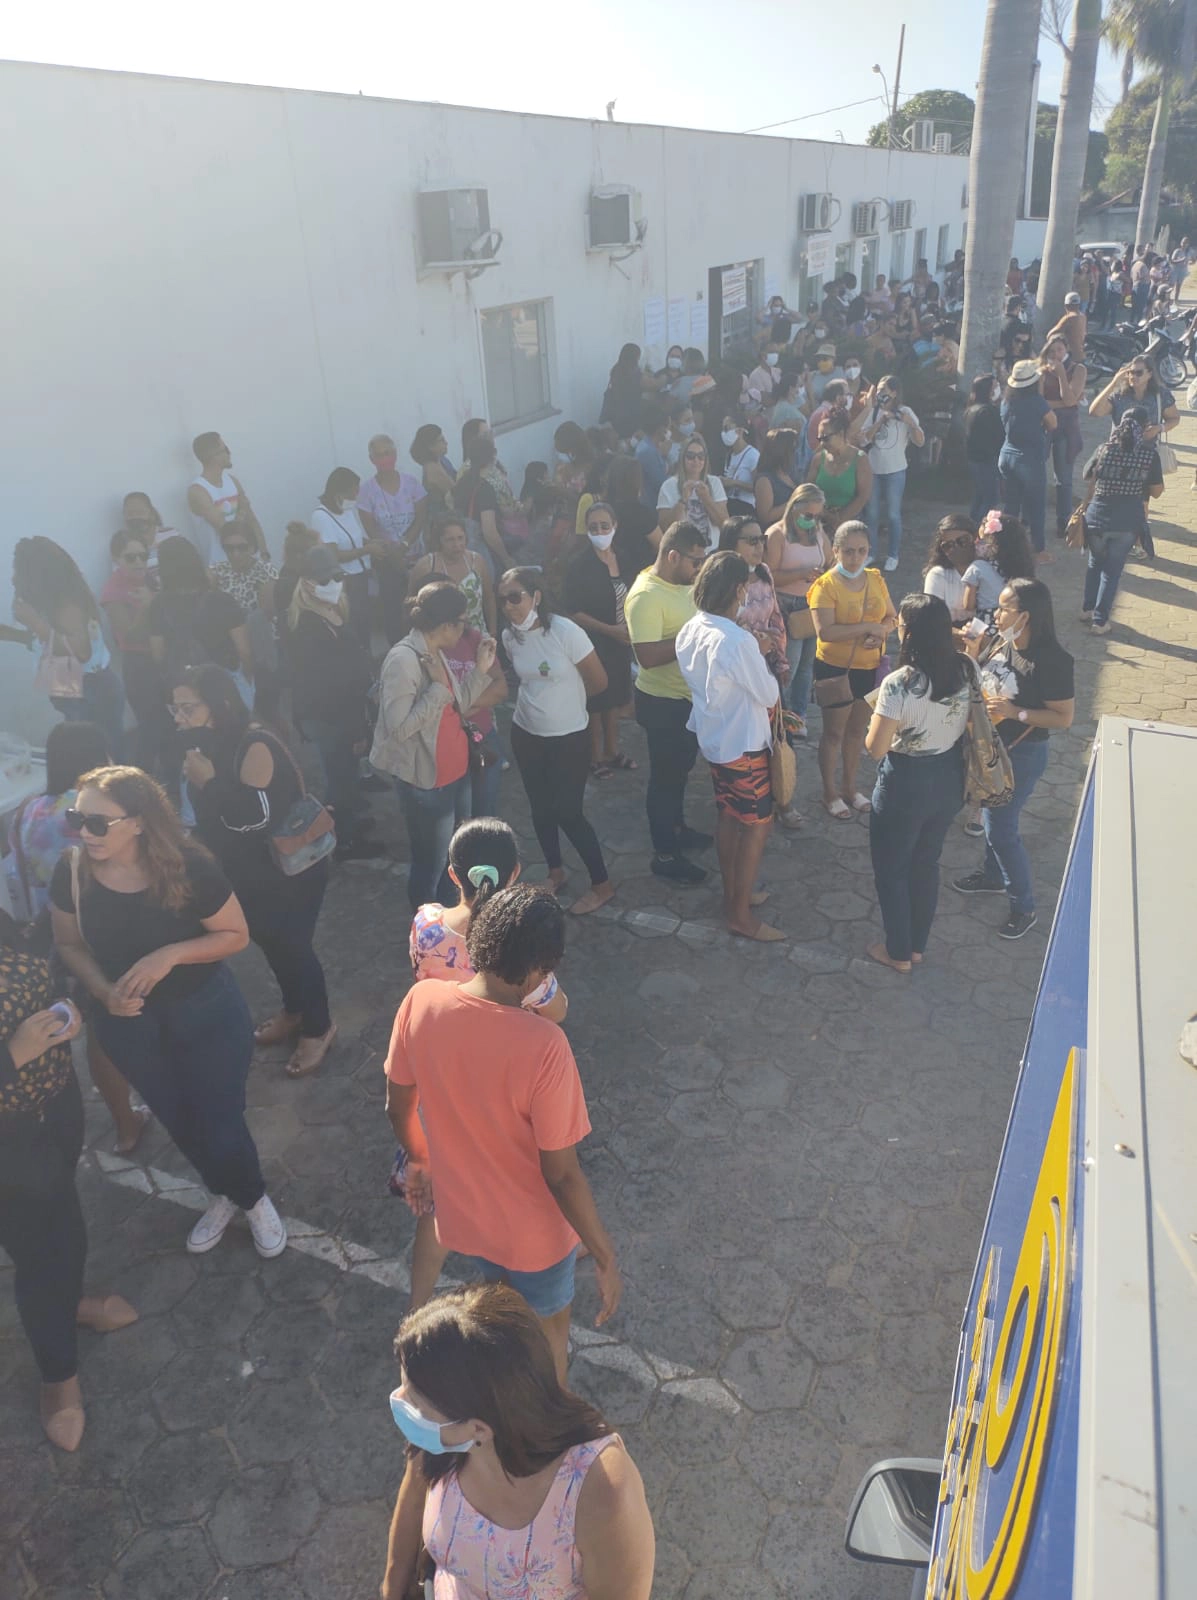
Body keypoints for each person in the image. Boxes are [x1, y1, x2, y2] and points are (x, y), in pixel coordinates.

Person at [49, 765, 287, 1256]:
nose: (83, 832)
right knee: (179, 1118)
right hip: (129, 1024)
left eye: (98, 822)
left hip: (205, 1012)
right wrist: (102, 989)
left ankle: (252, 1196)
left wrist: (170, 954)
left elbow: (234, 935)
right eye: (78, 818)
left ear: (137, 822)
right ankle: (223, 1191)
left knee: (220, 1120)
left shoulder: (186, 865)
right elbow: (68, 944)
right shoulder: (72, 871)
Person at [385, 885, 622, 1377]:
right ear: (540, 971)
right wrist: (602, 1253)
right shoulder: (545, 1046)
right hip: (535, 1239)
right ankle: (551, 1423)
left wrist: (422, 1161)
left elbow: (398, 1104)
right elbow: (562, 1176)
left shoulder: (421, 1001)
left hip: (467, 1223)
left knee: (502, 1307)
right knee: (549, 1338)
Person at [379, 1283, 654, 1600]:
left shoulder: (601, 1492)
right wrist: (391, 1589)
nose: (399, 1403)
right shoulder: (440, 1440)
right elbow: (414, 1497)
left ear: (479, 1430)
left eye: (415, 1403)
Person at [402, 820, 569, 1309]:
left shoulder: (426, 923)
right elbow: (557, 1012)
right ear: (515, 873)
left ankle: (416, 1307)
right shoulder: (520, 951)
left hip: (441, 1085)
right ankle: (546, 1261)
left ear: (453, 876)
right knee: (523, 1184)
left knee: (439, 1209)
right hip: (500, 1090)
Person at [0, 926, 139, 1452]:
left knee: (66, 1228)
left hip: (55, 1107)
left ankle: (72, 1302)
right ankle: (58, 1381)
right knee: (40, 1257)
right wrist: (14, 1052)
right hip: (7, 1146)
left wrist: (64, 1007)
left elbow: (39, 963)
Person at [172, 665, 337, 1077]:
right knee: (271, 943)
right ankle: (295, 1011)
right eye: (174, 708)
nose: (178, 717)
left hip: (289, 870)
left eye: (188, 707)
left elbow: (254, 818)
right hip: (245, 873)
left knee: (294, 946)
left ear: (219, 705)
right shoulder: (201, 747)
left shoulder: (254, 743)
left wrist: (209, 784)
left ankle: (319, 1027)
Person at [5, 721, 148, 1154]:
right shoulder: (101, 812)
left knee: (97, 1034)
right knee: (128, 1018)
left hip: (56, 935)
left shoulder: (31, 810)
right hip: (109, 930)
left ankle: (125, 1127)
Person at [953, 579, 1074, 939]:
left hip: (1021, 754)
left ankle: (1024, 907)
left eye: (1004, 607)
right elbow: (980, 682)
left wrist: (1015, 712)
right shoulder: (1003, 642)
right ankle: (992, 876)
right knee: (994, 817)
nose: (996, 612)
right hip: (989, 749)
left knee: (1000, 828)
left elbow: (1063, 718)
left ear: (1026, 615)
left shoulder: (1054, 660)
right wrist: (974, 651)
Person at [675, 553, 783, 940]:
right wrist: (765, 653)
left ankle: (734, 895)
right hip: (745, 744)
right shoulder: (737, 641)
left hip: (716, 740)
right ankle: (739, 914)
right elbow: (769, 693)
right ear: (738, 590)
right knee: (756, 824)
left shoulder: (691, 628)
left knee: (728, 816)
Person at [864, 594, 972, 973]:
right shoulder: (965, 667)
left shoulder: (899, 684)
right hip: (949, 777)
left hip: (905, 782)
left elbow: (875, 748)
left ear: (907, 632)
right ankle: (916, 948)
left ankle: (897, 951)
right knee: (926, 862)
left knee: (892, 869)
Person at [372, 582, 495, 907]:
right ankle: (427, 932)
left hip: (457, 770)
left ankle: (452, 919)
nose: (467, 630)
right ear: (446, 625)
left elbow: (454, 707)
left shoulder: (434, 651)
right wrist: (438, 689)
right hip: (429, 783)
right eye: (463, 622)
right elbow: (397, 729)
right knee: (431, 864)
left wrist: (480, 671)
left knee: (455, 858)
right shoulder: (404, 660)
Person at [499, 569, 614, 915]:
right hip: (525, 733)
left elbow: (599, 682)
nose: (508, 606)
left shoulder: (566, 632)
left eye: (515, 596)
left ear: (536, 596)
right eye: (502, 598)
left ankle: (602, 884)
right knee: (540, 808)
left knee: (569, 811)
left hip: (568, 738)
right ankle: (555, 872)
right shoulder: (509, 637)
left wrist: (566, 706)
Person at [625, 523, 712, 885]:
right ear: (673, 556)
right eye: (695, 561)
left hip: (687, 699)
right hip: (663, 704)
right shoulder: (646, 596)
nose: (699, 569)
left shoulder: (681, 582)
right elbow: (646, 654)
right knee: (664, 780)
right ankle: (665, 854)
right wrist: (695, 637)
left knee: (680, 774)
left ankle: (678, 829)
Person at [286, 545, 382, 861]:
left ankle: (348, 821)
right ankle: (342, 838)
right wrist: (355, 728)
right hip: (332, 717)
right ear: (309, 584)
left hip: (344, 711)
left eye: (337, 576)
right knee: (339, 777)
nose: (334, 583)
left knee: (346, 774)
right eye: (325, 579)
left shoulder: (333, 613)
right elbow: (329, 687)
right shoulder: (309, 628)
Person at [807, 521, 897, 819]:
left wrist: (881, 631)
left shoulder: (875, 579)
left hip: (870, 667)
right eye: (848, 552)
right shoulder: (825, 586)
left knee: (857, 730)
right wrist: (869, 627)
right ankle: (829, 792)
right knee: (833, 732)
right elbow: (826, 632)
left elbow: (892, 618)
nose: (855, 558)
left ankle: (849, 787)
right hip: (835, 668)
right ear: (835, 551)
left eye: (861, 551)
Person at [12, 537, 127, 757]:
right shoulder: (49, 605)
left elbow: (82, 652)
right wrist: (20, 632)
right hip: (73, 688)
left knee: (101, 758)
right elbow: (46, 641)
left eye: (19, 571)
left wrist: (34, 623)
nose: (13, 578)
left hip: (91, 690)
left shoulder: (67, 606)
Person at [1069, 409, 1163, 634]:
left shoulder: (1104, 449)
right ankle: (1100, 622)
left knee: (1094, 564)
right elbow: (1157, 492)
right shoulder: (1149, 455)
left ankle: (1087, 609)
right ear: (1144, 427)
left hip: (1097, 519)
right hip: (1127, 522)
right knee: (1112, 571)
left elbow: (1085, 475)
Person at [563, 503, 636, 777]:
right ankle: (595, 756)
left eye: (604, 526)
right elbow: (573, 610)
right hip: (593, 641)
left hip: (621, 641)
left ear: (615, 526)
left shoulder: (624, 558)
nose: (600, 531)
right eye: (593, 527)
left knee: (616, 696)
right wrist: (609, 630)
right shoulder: (580, 565)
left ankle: (613, 751)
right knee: (596, 701)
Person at [146, 535, 253, 709]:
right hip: (225, 681)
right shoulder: (222, 600)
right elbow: (244, 650)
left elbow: (158, 655)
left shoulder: (158, 605)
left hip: (185, 686)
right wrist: (247, 679)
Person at [101, 528, 171, 772]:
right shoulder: (113, 590)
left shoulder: (150, 579)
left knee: (171, 725)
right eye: (131, 557)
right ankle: (143, 785)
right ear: (116, 558)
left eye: (143, 555)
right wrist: (146, 607)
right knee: (151, 729)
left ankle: (174, 782)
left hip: (162, 658)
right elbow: (127, 636)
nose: (139, 562)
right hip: (140, 664)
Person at [765, 483, 833, 738]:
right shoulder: (777, 535)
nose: (812, 520)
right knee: (788, 666)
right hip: (785, 606)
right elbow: (769, 575)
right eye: (808, 515)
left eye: (817, 516)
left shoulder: (818, 534)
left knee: (806, 666)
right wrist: (802, 573)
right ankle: (779, 715)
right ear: (794, 509)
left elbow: (829, 560)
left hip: (811, 606)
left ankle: (799, 715)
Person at [851, 376, 924, 571]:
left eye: (884, 390)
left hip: (896, 471)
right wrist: (880, 420)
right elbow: (863, 440)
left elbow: (920, 441)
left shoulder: (906, 411)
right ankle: (872, 553)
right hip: (873, 469)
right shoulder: (874, 411)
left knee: (893, 515)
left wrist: (911, 424)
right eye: (879, 390)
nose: (881, 394)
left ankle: (893, 555)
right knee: (872, 515)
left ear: (894, 392)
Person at [357, 434, 426, 635]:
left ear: (395, 455)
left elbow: (421, 517)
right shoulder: (366, 491)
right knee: (393, 609)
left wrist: (405, 545)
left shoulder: (412, 483)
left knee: (420, 604)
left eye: (387, 453)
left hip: (415, 555)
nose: (384, 458)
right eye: (378, 455)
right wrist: (392, 553)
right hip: (387, 560)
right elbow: (370, 527)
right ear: (371, 459)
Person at [311, 467, 377, 647]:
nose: (356, 496)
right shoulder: (321, 516)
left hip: (362, 576)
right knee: (353, 626)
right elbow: (333, 555)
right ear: (338, 492)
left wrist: (373, 542)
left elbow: (354, 538)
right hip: (346, 582)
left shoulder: (346, 510)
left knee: (365, 624)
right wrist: (368, 550)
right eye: (353, 491)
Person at [999, 361, 1057, 558]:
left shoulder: (1006, 400)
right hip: (1029, 458)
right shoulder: (1036, 401)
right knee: (1036, 506)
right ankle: (1038, 549)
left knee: (1011, 506)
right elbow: (1053, 423)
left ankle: (1006, 545)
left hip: (1007, 454)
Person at [408, 515, 496, 638]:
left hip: (477, 635)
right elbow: (411, 603)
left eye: (460, 538)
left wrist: (493, 632)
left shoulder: (477, 561)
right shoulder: (426, 566)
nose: (457, 544)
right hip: (440, 638)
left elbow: (489, 598)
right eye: (450, 540)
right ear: (439, 541)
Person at [186, 432, 266, 565]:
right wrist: (242, 509)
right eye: (226, 449)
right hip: (222, 569)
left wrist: (264, 554)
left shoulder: (233, 481)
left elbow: (252, 521)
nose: (230, 453)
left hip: (251, 563)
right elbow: (228, 532)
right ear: (214, 456)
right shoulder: (197, 491)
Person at [1039, 335, 1088, 538]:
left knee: (1064, 478)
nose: (1055, 355)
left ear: (1066, 349)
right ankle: (1030, 518)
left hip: (1067, 429)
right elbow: (1039, 401)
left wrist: (1061, 375)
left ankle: (1063, 522)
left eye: (1059, 350)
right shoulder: (1041, 369)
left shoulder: (1078, 369)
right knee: (1035, 473)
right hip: (1044, 426)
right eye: (1051, 351)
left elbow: (1069, 399)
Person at [454, 437, 518, 575]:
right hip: (481, 552)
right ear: (492, 457)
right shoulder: (485, 488)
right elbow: (490, 532)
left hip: (460, 550)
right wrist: (507, 559)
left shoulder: (462, 482)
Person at [960, 509, 1036, 622]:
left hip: (987, 622)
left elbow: (968, 605)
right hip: (1015, 620)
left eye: (981, 540)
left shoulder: (977, 567)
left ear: (994, 544)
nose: (977, 543)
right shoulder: (1023, 567)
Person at [656, 433, 728, 548]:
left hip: (712, 552)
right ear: (682, 458)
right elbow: (665, 528)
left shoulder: (714, 482)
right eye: (690, 456)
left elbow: (724, 524)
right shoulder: (668, 486)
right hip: (682, 552)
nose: (696, 460)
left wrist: (707, 499)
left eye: (701, 456)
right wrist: (683, 500)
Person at [810, 411, 873, 534]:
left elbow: (863, 496)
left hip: (850, 525)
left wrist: (839, 519)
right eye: (819, 439)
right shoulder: (818, 459)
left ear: (840, 434)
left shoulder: (860, 459)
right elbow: (809, 491)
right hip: (820, 524)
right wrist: (826, 515)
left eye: (826, 438)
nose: (822, 443)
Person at [1089, 359, 1180, 439]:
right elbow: (1095, 412)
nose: (1133, 376)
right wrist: (1114, 383)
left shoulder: (1161, 395)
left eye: (1139, 373)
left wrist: (1159, 428)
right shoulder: (1119, 395)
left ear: (1149, 374)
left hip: (1148, 450)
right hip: (1119, 450)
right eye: (1131, 372)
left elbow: (1174, 418)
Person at [603, 455, 660, 575]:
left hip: (605, 573)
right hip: (637, 576)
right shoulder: (642, 513)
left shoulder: (602, 511)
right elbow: (661, 545)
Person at [962, 375, 1005, 523]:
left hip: (974, 459)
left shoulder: (970, 409)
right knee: (991, 499)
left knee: (979, 495)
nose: (997, 389)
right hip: (987, 460)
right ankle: (978, 528)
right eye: (995, 386)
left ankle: (972, 522)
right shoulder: (988, 411)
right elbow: (998, 436)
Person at [922, 515, 976, 623]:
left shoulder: (988, 569)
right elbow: (933, 619)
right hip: (946, 634)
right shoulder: (937, 575)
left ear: (975, 539)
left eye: (963, 541)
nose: (956, 548)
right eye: (948, 545)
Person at [600, 343, 657, 440]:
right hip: (631, 420)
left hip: (616, 420)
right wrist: (664, 378)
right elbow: (653, 385)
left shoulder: (616, 370)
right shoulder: (634, 374)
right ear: (636, 357)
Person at [753, 427, 803, 528]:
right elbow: (765, 517)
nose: (796, 453)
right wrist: (795, 502)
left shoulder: (791, 473)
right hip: (778, 535)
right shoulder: (765, 480)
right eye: (792, 449)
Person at [409, 424, 458, 517]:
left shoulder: (442, 459)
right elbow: (456, 493)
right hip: (443, 519)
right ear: (430, 446)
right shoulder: (432, 469)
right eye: (441, 440)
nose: (446, 443)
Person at [719, 409, 760, 516]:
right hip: (730, 506)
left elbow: (759, 488)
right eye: (723, 429)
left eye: (728, 428)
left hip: (746, 509)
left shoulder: (753, 455)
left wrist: (734, 483)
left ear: (740, 430)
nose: (724, 432)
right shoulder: (729, 455)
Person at [634, 412, 673, 510]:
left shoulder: (652, 448)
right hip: (651, 506)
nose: (668, 431)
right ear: (660, 429)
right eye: (667, 428)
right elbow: (661, 483)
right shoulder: (648, 452)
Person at [1046, 290, 1087, 365]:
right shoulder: (1083, 316)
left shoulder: (1068, 318)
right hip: (1080, 355)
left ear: (1066, 305)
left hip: (1070, 358)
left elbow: (1052, 333)